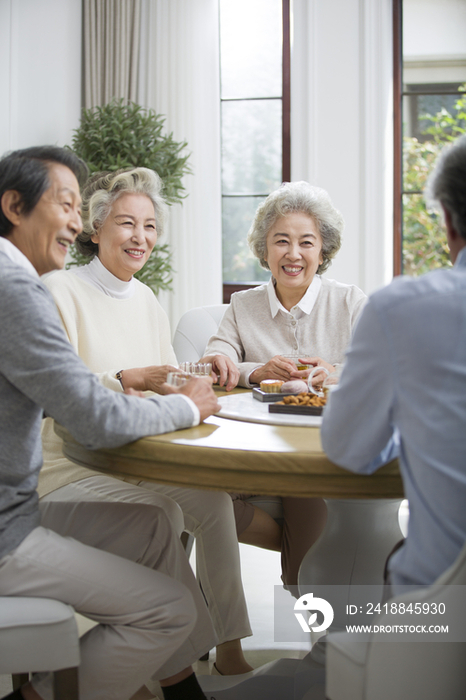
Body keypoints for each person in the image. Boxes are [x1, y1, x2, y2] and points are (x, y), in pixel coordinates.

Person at [0, 145, 221, 700]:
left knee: (151, 525)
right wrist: (189, 406)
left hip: (17, 509)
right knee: (166, 610)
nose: (78, 223)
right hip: (9, 532)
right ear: (13, 207)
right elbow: (92, 417)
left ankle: (180, 687)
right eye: (67, 205)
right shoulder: (18, 294)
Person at [39, 167, 253, 675]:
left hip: (130, 455)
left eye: (150, 226)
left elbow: (163, 381)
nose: (140, 237)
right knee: (162, 513)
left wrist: (214, 372)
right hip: (68, 464)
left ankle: (229, 650)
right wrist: (124, 375)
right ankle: (172, 667)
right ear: (95, 230)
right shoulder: (58, 291)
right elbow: (60, 393)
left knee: (214, 503)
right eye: (126, 224)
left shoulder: (147, 299)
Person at [201, 181, 367, 587]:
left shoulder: (350, 303)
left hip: (317, 455)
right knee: (202, 497)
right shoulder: (243, 304)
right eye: (281, 241)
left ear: (322, 250)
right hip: (252, 450)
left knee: (300, 581)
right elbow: (216, 357)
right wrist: (255, 371)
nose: (293, 254)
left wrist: (334, 373)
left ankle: (305, 582)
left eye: (306, 242)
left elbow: (382, 369)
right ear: (264, 250)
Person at [320, 134, 466, 596]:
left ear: (446, 219)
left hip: (439, 619)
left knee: (346, 628)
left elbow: (350, 449)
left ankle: (340, 656)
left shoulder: (401, 309)